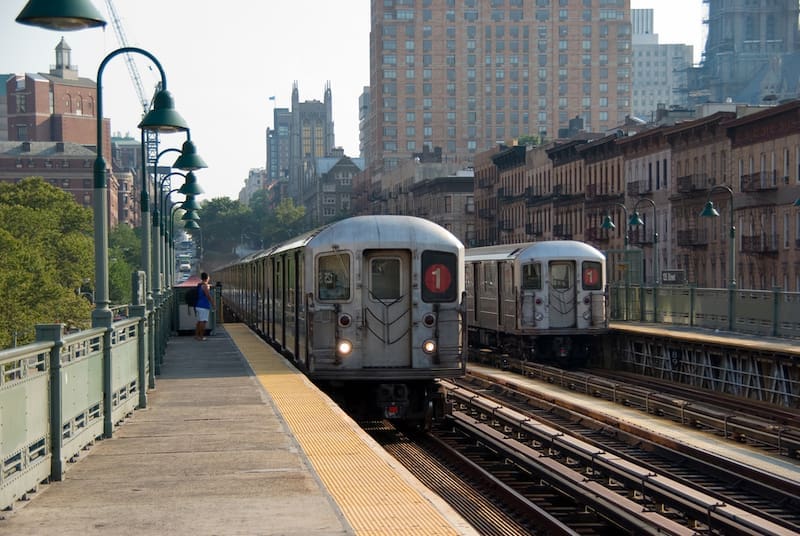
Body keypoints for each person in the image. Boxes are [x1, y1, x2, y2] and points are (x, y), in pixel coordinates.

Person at [195, 272, 215, 341]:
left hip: (198, 305)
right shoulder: (205, 286)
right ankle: (201, 336)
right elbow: (208, 295)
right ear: (207, 278)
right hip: (203, 306)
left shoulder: (200, 285)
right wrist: (213, 303)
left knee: (199, 321)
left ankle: (197, 335)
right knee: (203, 322)